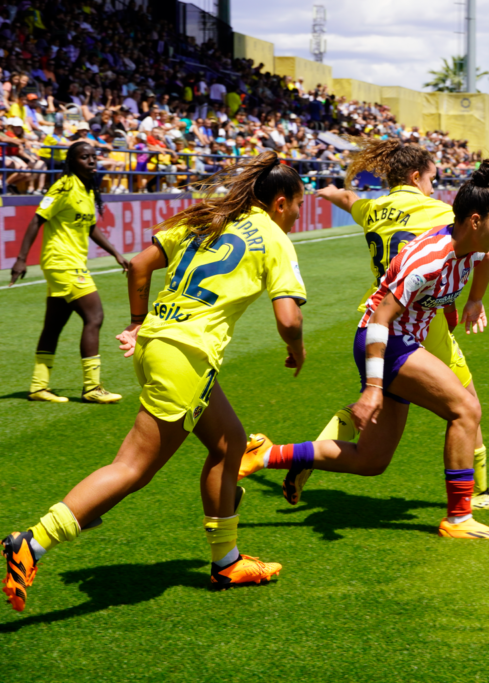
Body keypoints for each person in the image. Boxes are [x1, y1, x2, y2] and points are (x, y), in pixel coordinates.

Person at [2, 152, 308, 613]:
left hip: (156, 345)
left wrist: (139, 323)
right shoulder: (273, 237)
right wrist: (296, 348)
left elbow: (140, 266)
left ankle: (226, 561)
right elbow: (288, 318)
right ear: (281, 203)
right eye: (298, 205)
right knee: (132, 468)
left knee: (230, 444)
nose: (298, 214)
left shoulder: (206, 216)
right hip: (185, 356)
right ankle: (32, 542)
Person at [238, 161, 489, 540]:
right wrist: (373, 389)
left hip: (404, 342)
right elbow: (381, 318)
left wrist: (475, 301)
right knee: (466, 409)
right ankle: (459, 517)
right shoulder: (430, 259)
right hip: (384, 340)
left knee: (371, 461)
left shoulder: (473, 247)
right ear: (476, 221)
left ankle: (265, 454)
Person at [8, 142, 128, 403]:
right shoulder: (63, 186)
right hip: (62, 263)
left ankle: (38, 387)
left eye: (93, 157)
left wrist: (115, 253)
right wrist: (20, 259)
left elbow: (91, 227)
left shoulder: (87, 189)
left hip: (71, 263)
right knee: (94, 316)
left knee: (54, 325)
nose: (91, 161)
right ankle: (92, 387)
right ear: (72, 161)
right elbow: (37, 219)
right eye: (84, 157)